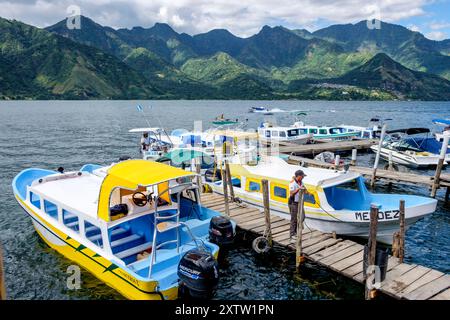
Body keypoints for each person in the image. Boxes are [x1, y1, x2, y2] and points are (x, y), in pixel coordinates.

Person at [289, 169, 308, 242]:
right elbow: (291, 193)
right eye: (302, 176)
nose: (303, 177)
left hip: (300, 202)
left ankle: (296, 231)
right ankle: (292, 235)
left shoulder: (301, 182)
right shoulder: (292, 183)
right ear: (299, 176)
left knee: (302, 217)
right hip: (293, 203)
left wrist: (308, 192)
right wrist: (299, 189)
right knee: (293, 219)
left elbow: (305, 189)